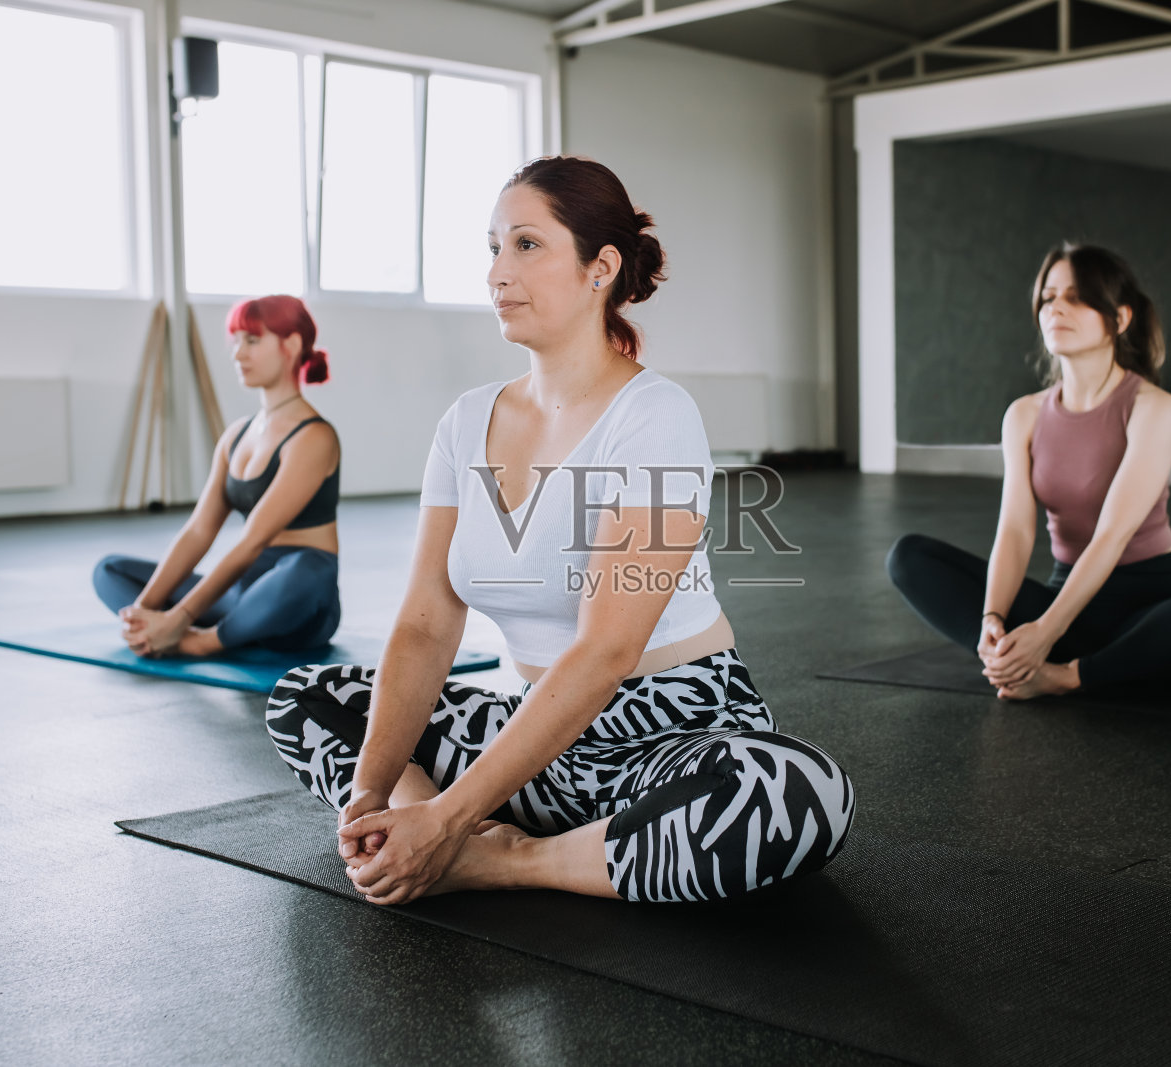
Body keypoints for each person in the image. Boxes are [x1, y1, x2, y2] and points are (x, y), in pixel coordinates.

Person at [265, 156, 854, 905]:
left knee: (800, 795)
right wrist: (374, 796)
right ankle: (423, 833)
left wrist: (451, 818)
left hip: (673, 733)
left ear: (600, 267)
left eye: (526, 245)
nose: (497, 273)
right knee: (305, 697)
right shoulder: (465, 422)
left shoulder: (654, 415)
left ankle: (503, 859)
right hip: (538, 736)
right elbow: (423, 625)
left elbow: (607, 650)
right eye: (492, 248)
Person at [887, 242, 1171, 700]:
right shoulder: (1024, 415)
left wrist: (1044, 635)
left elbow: (1113, 534)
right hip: (1063, 601)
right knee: (909, 558)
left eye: (1076, 296)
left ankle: (1067, 676)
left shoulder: (1153, 407)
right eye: (1049, 297)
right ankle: (1036, 660)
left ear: (1121, 317)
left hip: (1147, 613)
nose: (1056, 308)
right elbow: (1014, 530)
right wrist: (992, 619)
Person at [92, 295, 341, 657]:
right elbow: (198, 531)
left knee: (308, 570)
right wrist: (142, 609)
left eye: (252, 341)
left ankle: (198, 641)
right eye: (236, 341)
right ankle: (169, 628)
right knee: (110, 570)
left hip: (296, 599)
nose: (238, 354)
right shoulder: (236, 436)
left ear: (292, 344)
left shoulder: (314, 437)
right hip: (242, 593)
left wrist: (180, 617)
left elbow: (253, 540)